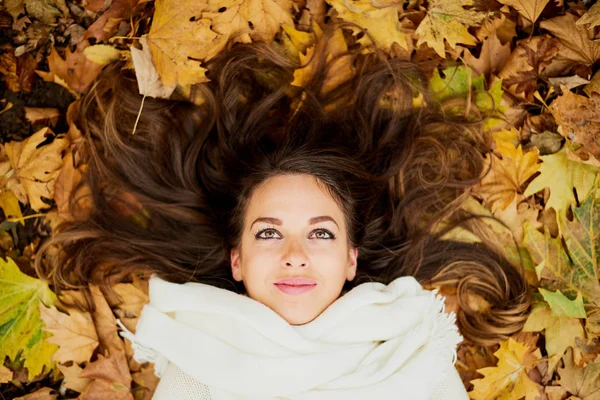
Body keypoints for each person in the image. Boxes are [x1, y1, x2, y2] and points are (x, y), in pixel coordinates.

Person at [35, 21, 532, 399]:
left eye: (321, 234)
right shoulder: (191, 364)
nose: (295, 255)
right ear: (237, 259)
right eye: (269, 234)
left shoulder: (414, 350)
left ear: (351, 259)